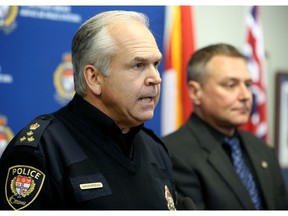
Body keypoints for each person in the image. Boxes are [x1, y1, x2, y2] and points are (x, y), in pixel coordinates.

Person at [0, 10, 177, 210]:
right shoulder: (42, 151)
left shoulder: (156, 149)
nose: (156, 78)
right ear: (94, 78)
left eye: (155, 64)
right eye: (138, 65)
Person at [162, 43, 288, 210]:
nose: (245, 96)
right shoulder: (172, 154)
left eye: (248, 85)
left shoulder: (262, 149)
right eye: (231, 85)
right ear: (195, 92)